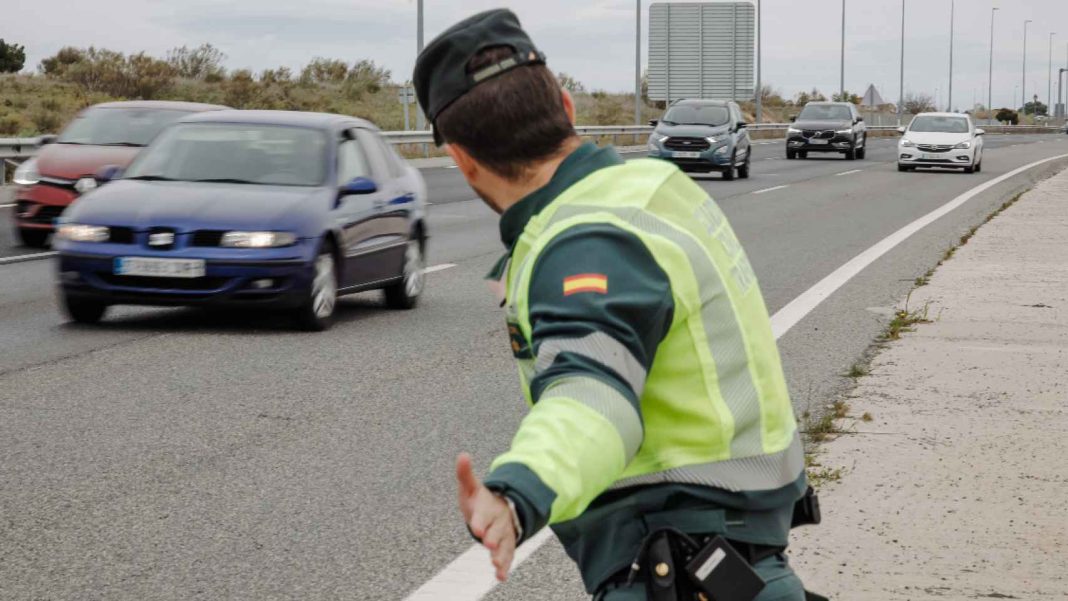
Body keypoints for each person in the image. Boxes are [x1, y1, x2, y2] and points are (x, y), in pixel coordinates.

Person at [414, 9, 817, 600]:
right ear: (567, 105)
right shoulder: (651, 187)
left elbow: (593, 395)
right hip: (741, 562)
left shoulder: (586, 240)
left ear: (460, 159)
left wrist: (517, 494)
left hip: (676, 568)